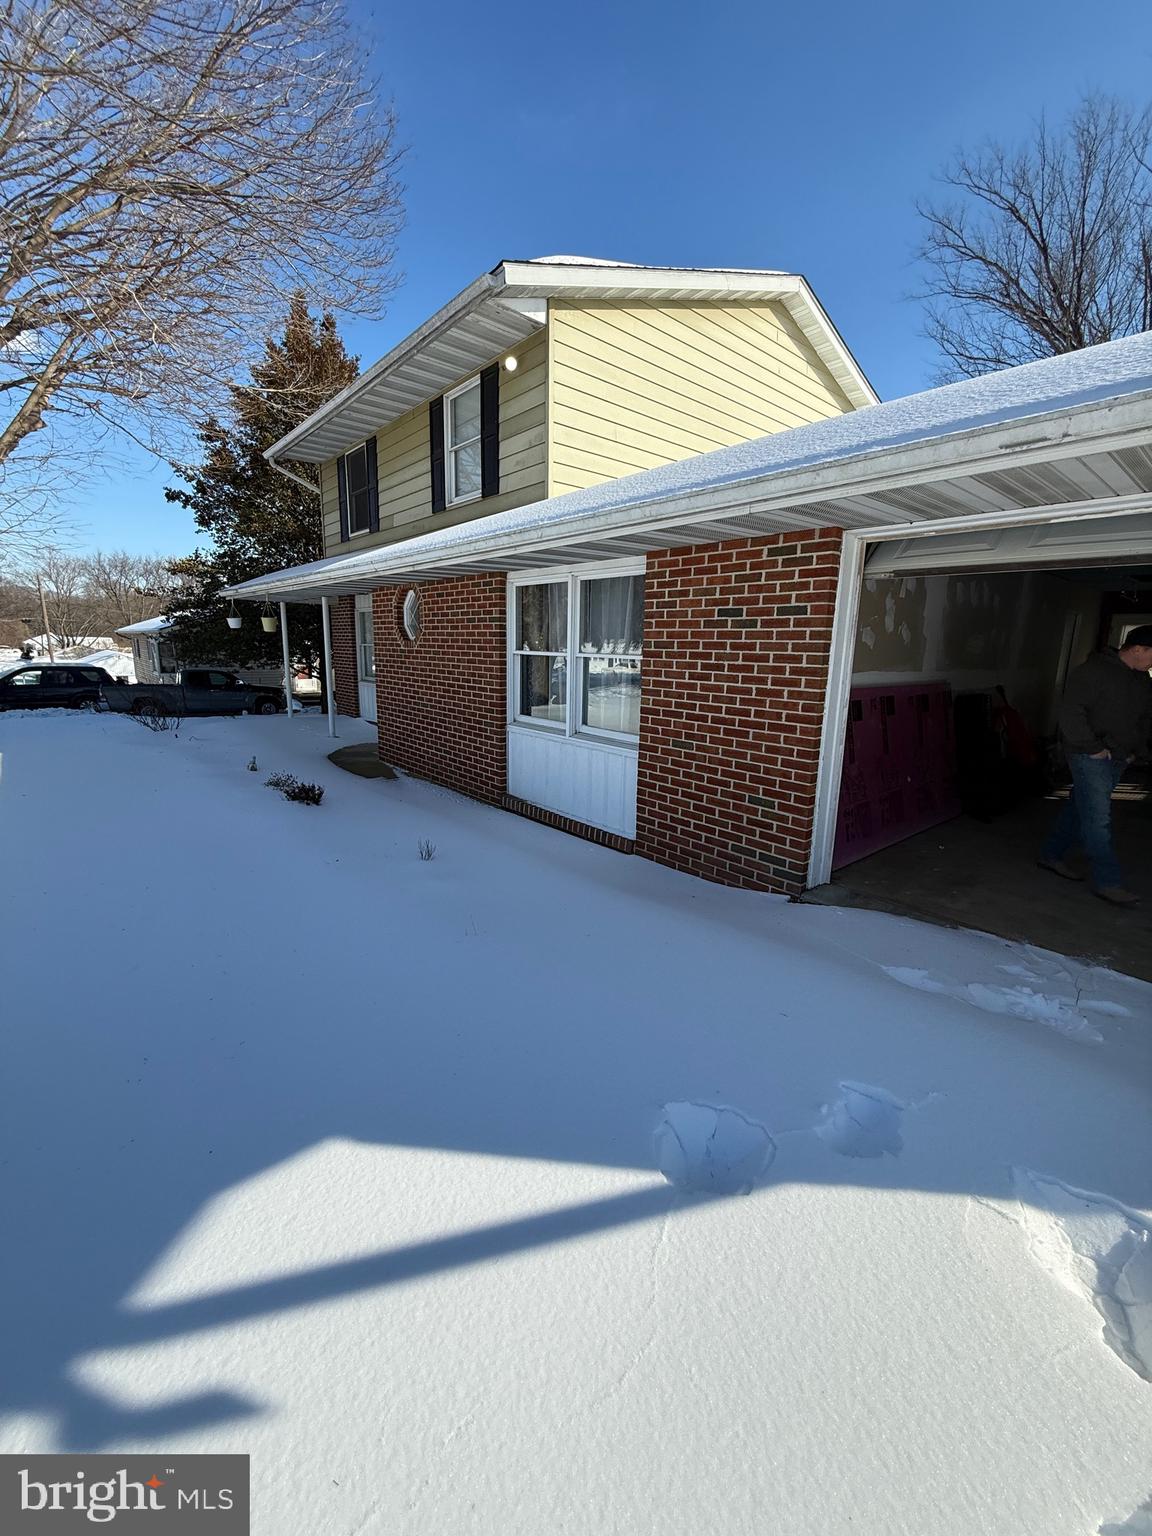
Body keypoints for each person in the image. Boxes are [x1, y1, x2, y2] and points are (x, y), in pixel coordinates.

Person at [1038, 624, 1152, 904]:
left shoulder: (1141, 680)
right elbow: (1071, 713)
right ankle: (1108, 881)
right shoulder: (1092, 672)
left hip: (1120, 756)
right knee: (1097, 820)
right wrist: (1094, 748)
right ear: (1138, 649)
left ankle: (1050, 854)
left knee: (1081, 807)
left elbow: (1143, 719)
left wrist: (1137, 751)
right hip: (1090, 755)